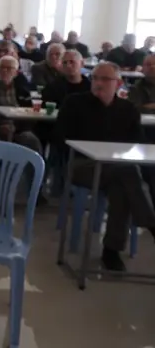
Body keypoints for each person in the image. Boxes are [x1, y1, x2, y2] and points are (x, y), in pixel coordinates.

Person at [57, 62, 155, 272]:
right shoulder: (74, 102)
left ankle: (111, 250)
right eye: (95, 78)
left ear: (118, 84)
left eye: (105, 79)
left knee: (122, 186)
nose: (98, 83)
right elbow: (61, 137)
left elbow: (137, 144)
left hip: (116, 169)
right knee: (127, 172)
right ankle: (150, 223)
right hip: (82, 165)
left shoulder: (127, 109)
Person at [0, 56, 41, 152]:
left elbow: (30, 114)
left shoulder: (24, 91)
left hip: (18, 127)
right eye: (1, 68)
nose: (4, 71)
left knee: (31, 140)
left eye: (9, 68)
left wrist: (15, 127)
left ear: (16, 73)